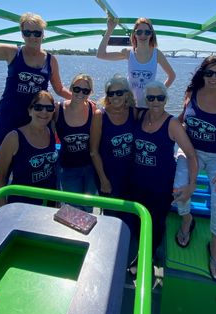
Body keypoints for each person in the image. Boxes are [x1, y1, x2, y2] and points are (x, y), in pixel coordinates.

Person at [0, 0, 71, 160]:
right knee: (3, 167)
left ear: (43, 34)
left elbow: (59, 88)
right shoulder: (12, 53)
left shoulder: (50, 60)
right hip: (9, 118)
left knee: (34, 166)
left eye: (36, 32)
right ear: (22, 34)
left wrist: (86, 100)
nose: (32, 37)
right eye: (27, 32)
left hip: (37, 120)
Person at [173, 56, 216, 282]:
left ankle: (215, 248)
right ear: (202, 74)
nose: (214, 78)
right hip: (190, 149)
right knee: (179, 188)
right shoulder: (192, 93)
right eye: (209, 73)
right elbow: (182, 120)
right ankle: (186, 220)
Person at [128, 81, 197, 272]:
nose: (155, 101)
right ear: (146, 100)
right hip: (136, 182)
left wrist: (191, 185)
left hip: (160, 186)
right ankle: (141, 251)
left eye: (160, 97)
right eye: (151, 97)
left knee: (156, 223)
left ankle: (147, 258)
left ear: (166, 99)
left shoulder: (172, 124)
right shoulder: (140, 115)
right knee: (136, 220)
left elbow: (190, 154)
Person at [0, 90, 58, 207]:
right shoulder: (14, 138)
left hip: (49, 201)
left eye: (49, 108)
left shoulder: (50, 131)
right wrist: (2, 210)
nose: (44, 112)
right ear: (30, 111)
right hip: (22, 205)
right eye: (38, 107)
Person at [96, 17, 176, 107]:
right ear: (134, 34)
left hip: (148, 106)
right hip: (129, 104)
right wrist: (110, 30)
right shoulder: (128, 53)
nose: (143, 35)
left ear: (151, 35)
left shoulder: (157, 54)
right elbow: (101, 55)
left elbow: (171, 75)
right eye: (139, 32)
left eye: (147, 32)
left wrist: (159, 93)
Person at [90, 74, 137, 203]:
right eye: (111, 94)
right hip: (108, 175)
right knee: (112, 215)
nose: (115, 97)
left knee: (129, 215)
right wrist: (103, 179)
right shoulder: (100, 115)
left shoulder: (133, 112)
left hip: (130, 175)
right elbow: (94, 151)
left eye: (119, 93)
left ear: (127, 94)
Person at [55, 74, 97, 211]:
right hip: (68, 168)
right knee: (73, 208)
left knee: (88, 207)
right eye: (77, 88)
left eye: (86, 91)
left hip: (90, 168)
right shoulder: (58, 110)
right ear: (71, 88)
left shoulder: (93, 109)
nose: (80, 93)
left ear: (90, 93)